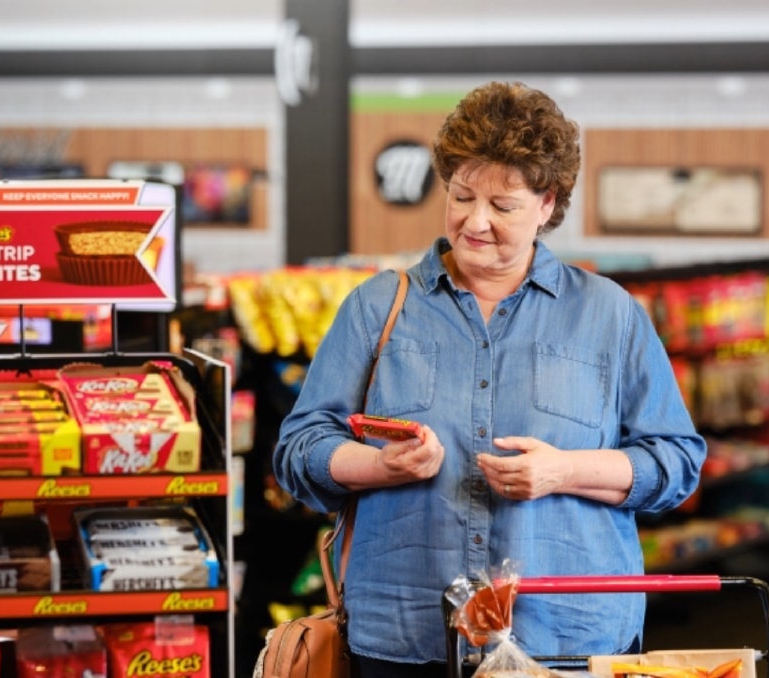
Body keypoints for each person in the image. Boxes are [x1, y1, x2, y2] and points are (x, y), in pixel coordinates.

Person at [273, 80, 706, 677]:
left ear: (547, 204)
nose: (475, 222)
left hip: (567, 639)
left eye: (503, 206)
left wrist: (563, 470)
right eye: (461, 196)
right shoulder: (377, 308)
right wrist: (380, 466)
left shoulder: (609, 314)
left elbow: (676, 463)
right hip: (406, 639)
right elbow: (298, 450)